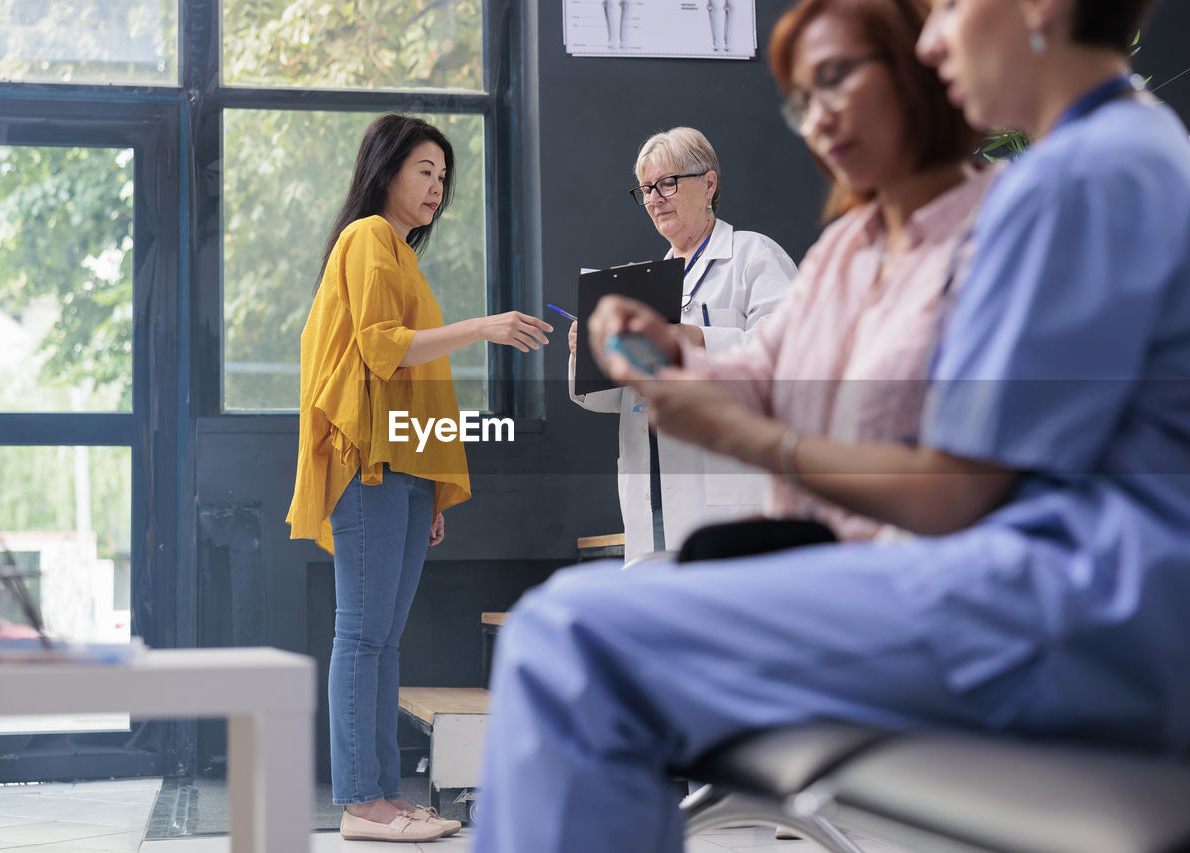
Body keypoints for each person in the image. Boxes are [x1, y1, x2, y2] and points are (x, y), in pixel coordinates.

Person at [476, 0, 1190, 850]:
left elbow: (954, 489)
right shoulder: (1098, 167)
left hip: (1055, 611)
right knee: (571, 621)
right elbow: (775, 375)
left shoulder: (1072, 182)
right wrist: (669, 351)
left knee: (569, 639)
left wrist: (750, 435)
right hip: (1026, 586)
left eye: (950, 7)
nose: (934, 39)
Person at [285, 113, 552, 844]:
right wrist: (480, 327)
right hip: (372, 466)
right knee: (362, 635)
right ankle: (360, 799)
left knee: (384, 641)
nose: (436, 186)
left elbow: (415, 380)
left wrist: (432, 484)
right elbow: (381, 351)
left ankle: (384, 797)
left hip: (402, 469)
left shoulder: (403, 257)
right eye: (423, 170)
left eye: (443, 175)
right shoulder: (368, 237)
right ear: (386, 171)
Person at [568, 127, 797, 561]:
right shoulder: (643, 287)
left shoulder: (753, 256)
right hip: (650, 487)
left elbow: (792, 355)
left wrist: (700, 340)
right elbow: (612, 400)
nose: (654, 198)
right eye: (646, 189)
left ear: (708, 183)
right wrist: (591, 356)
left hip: (728, 486)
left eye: (666, 183)